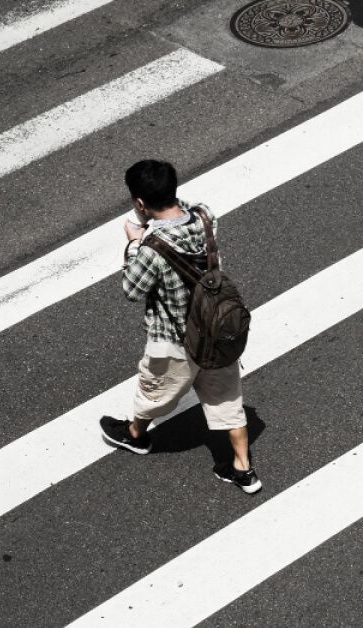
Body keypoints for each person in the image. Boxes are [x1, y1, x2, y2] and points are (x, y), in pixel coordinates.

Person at [99, 159, 261, 494]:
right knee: (228, 400)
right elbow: (185, 212)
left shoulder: (151, 249)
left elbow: (132, 290)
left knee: (155, 391)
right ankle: (244, 470)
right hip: (217, 331)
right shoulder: (204, 217)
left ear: (140, 204)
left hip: (175, 339)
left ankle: (136, 435)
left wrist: (133, 243)